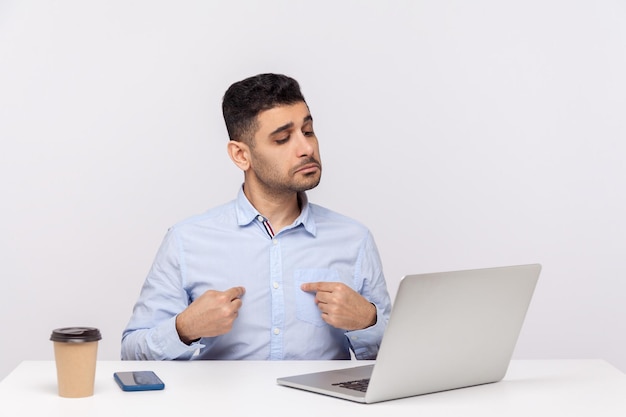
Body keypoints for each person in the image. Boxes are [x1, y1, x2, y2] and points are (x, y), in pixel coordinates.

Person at [121, 73, 391, 361]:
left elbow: (400, 357)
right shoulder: (186, 240)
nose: (307, 148)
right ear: (241, 156)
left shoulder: (354, 239)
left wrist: (368, 322)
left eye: (308, 131)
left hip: (319, 406)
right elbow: (131, 353)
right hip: (225, 406)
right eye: (283, 138)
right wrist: (184, 329)